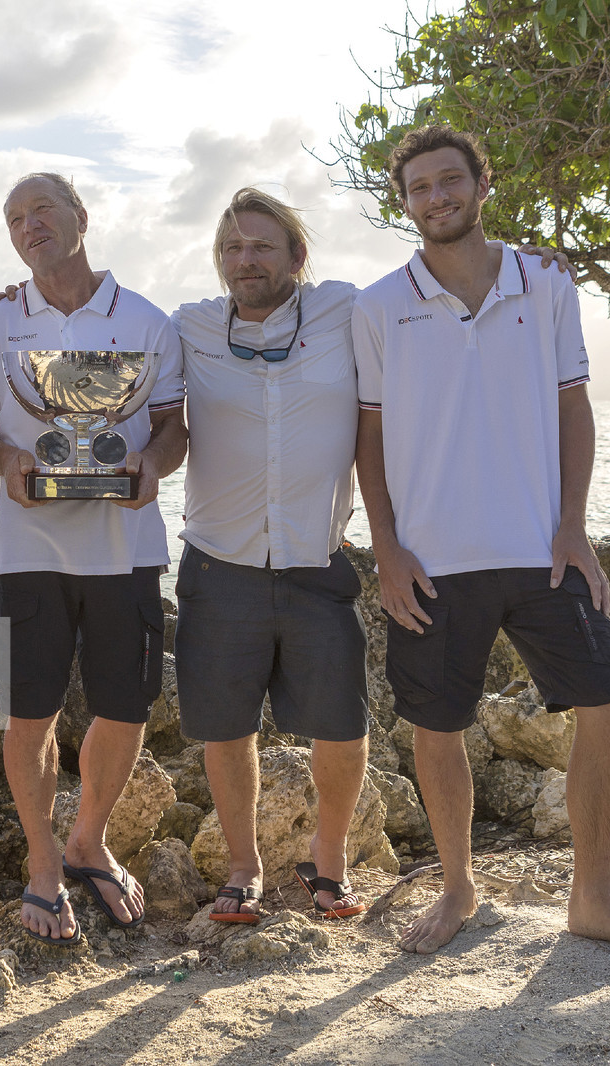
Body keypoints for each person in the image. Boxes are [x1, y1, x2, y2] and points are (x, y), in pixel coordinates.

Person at [352, 124, 610, 965]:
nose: (436, 198)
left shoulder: (545, 281)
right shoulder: (377, 306)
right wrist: (387, 548)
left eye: (448, 181)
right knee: (437, 729)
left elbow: (571, 404)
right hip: (431, 561)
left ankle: (594, 898)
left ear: (480, 182)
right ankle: (459, 887)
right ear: (405, 206)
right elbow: (369, 433)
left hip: (541, 549)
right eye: (419, 189)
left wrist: (573, 522)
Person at [0, 173, 187, 944]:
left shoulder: (149, 321)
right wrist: (8, 464)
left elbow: (172, 427)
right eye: (15, 217)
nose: (30, 226)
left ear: (81, 219)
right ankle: (41, 861)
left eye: (43, 211)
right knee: (31, 714)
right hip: (29, 551)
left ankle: (87, 838)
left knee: (125, 709)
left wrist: (153, 469)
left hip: (128, 549)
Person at [169, 188, 370, 924]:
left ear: (296, 256)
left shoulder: (346, 310)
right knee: (227, 730)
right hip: (219, 563)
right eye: (231, 248)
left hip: (318, 563)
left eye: (260, 246)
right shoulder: (189, 328)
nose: (244, 259)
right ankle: (244, 866)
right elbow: (115, 369)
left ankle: (331, 856)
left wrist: (526, 264)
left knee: (344, 729)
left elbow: (438, 287)